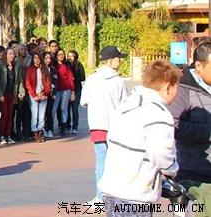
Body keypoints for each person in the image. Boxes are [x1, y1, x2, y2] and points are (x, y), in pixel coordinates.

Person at [99, 60, 180, 216]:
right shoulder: (158, 113)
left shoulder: (128, 103)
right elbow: (161, 153)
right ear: (168, 87)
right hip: (135, 194)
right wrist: (173, 169)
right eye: (177, 87)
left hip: (111, 188)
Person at [80, 46, 128, 205]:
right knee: (115, 163)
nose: (120, 61)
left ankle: (101, 198)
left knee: (101, 161)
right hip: (115, 127)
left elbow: (83, 101)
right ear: (111, 60)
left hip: (98, 125)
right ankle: (113, 197)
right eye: (119, 58)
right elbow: (124, 105)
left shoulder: (92, 78)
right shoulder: (118, 81)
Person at [168, 41, 211, 183]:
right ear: (198, 66)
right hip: (193, 175)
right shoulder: (182, 89)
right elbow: (174, 126)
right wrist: (208, 132)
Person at [0, 47, 25, 144]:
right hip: (3, 93)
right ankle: (1, 135)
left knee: (11, 114)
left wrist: (21, 92)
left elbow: (19, 80)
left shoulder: (16, 65)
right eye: (9, 54)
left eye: (13, 54)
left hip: (12, 93)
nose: (12, 56)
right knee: (4, 114)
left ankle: (8, 135)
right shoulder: (0, 64)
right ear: (6, 55)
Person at [25, 52, 51, 143]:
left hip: (43, 95)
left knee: (42, 116)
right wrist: (34, 95)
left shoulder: (44, 69)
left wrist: (45, 94)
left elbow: (48, 83)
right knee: (35, 115)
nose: (36, 60)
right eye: (35, 58)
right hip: (34, 95)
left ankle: (40, 132)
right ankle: (35, 133)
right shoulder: (30, 69)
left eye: (38, 58)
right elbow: (28, 83)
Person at [53, 49, 75, 137]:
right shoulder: (54, 66)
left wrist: (72, 91)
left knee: (63, 108)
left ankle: (63, 127)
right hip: (56, 90)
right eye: (59, 54)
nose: (61, 56)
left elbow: (70, 79)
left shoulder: (67, 66)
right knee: (54, 108)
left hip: (66, 89)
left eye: (62, 54)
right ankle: (49, 126)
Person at [68, 50, 86, 134]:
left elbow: (83, 77)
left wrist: (75, 78)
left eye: (71, 56)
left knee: (74, 108)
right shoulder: (66, 65)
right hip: (68, 89)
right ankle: (67, 125)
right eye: (68, 56)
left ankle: (75, 126)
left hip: (77, 88)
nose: (69, 58)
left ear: (75, 57)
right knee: (66, 108)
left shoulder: (79, 65)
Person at [43, 52, 58, 138]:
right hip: (42, 94)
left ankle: (50, 129)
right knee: (43, 113)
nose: (48, 60)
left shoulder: (53, 70)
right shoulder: (40, 69)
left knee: (49, 112)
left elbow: (55, 82)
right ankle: (43, 129)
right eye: (46, 58)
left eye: (49, 58)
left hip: (50, 94)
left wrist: (54, 93)